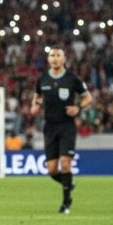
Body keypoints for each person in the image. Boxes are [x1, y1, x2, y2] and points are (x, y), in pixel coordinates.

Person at [30, 46, 92, 214]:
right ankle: (68, 183)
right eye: (52, 55)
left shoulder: (72, 78)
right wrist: (34, 106)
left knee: (65, 164)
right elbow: (37, 96)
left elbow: (88, 97)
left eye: (59, 55)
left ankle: (66, 203)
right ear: (48, 59)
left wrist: (78, 108)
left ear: (64, 59)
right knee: (51, 169)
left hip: (67, 126)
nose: (55, 58)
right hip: (49, 127)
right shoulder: (42, 79)